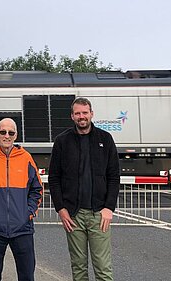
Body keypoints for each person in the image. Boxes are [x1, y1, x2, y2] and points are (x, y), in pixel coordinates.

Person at [48, 97, 120, 281]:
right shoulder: (62, 141)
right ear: (72, 116)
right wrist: (61, 209)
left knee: (103, 270)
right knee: (78, 270)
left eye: (85, 113)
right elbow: (54, 178)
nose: (82, 117)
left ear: (91, 114)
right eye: (78, 113)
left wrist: (109, 208)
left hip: (99, 215)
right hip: (73, 216)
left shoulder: (105, 139)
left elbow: (113, 177)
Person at [0, 118, 43, 281]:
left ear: (16, 135)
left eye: (11, 133)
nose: (7, 136)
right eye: (3, 132)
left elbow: (37, 189)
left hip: (22, 228)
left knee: (27, 275)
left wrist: (27, 213)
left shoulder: (26, 158)